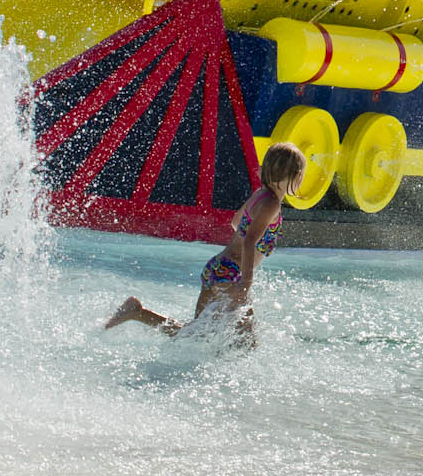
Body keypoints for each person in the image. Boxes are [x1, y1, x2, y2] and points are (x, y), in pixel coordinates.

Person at [105, 144, 306, 340]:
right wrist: (245, 283)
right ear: (297, 176)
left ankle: (138, 312)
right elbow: (249, 241)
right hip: (231, 275)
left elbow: (236, 222)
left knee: (193, 336)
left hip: (218, 268)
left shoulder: (259, 195)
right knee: (247, 342)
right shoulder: (271, 204)